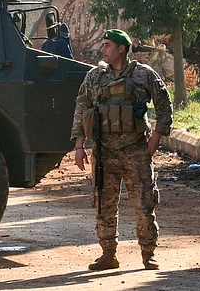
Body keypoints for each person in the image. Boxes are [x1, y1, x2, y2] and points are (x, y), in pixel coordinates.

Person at [71, 29, 173, 271]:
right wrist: (79, 145)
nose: (103, 49)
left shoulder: (143, 74)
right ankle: (108, 254)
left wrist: (157, 137)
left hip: (135, 151)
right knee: (104, 205)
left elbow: (164, 104)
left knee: (144, 204)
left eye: (107, 45)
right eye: (103, 45)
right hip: (104, 152)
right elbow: (81, 108)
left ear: (121, 49)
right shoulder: (95, 77)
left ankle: (148, 253)